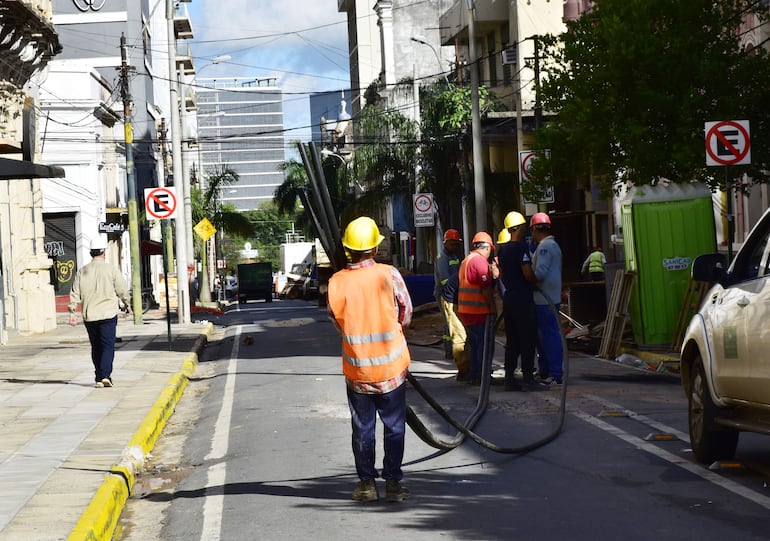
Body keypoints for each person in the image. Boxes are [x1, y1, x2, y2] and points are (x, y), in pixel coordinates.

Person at [327, 216, 413, 503]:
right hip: (392, 369)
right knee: (395, 427)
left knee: (363, 429)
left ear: (349, 250)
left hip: (359, 372)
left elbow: (339, 323)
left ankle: (366, 484)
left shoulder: (336, 282)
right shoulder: (389, 275)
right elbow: (406, 313)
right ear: (376, 248)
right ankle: (393, 484)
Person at [68, 235, 130, 388]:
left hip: (90, 315)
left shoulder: (82, 271)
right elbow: (121, 289)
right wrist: (127, 303)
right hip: (108, 314)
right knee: (107, 345)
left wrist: (72, 312)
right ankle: (105, 375)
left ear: (91, 252)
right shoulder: (111, 270)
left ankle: (98, 376)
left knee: (96, 346)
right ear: (103, 252)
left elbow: (75, 292)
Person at [497, 211, 547, 392]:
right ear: (519, 228)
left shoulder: (502, 250)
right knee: (527, 339)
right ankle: (528, 377)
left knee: (512, 341)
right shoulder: (520, 249)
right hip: (523, 300)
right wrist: (535, 281)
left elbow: (502, 275)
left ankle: (509, 378)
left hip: (509, 299)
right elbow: (527, 272)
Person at [457, 232, 499, 386]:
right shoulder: (480, 262)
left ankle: (475, 374)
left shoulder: (466, 260)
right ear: (487, 247)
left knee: (475, 345)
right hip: (478, 311)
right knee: (484, 345)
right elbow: (485, 289)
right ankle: (483, 375)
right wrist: (493, 308)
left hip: (466, 311)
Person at [530, 212, 564, 385]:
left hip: (544, 300)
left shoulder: (544, 248)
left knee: (549, 336)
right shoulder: (554, 245)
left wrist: (528, 279)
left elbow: (540, 274)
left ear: (535, 229)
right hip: (550, 298)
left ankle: (554, 373)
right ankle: (546, 371)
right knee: (544, 337)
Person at [433, 228, 469, 380]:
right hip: (445, 294)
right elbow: (445, 280)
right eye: (452, 243)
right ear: (446, 242)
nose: (455, 246)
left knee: (450, 324)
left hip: (453, 293)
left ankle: (450, 350)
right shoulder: (442, 258)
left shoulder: (454, 255)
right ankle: (450, 351)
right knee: (450, 324)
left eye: (456, 244)